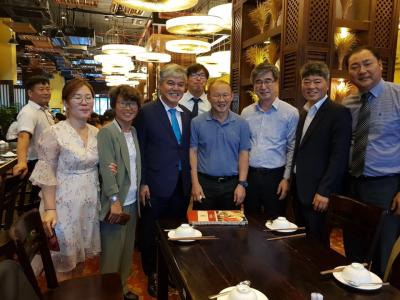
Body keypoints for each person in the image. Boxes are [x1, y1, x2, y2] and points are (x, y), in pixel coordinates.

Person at [29, 78, 100, 278]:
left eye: (88, 97)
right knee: (62, 262)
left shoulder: (96, 132)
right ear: (66, 103)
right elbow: (47, 172)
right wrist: (50, 209)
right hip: (63, 205)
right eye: (78, 97)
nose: (84, 102)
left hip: (88, 205)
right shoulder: (54, 133)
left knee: (80, 260)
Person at [135, 64, 192, 297]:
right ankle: (152, 274)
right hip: (154, 185)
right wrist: (142, 182)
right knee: (150, 233)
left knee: (174, 232)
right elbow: (139, 150)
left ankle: (168, 272)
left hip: (181, 185)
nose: (175, 88)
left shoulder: (187, 114)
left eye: (180, 85)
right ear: (160, 85)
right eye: (171, 83)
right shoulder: (146, 112)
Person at [343, 46, 400, 276]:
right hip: (352, 185)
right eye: (355, 66)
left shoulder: (397, 96)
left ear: (380, 65)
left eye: (367, 63)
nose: (362, 70)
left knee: (381, 249)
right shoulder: (348, 104)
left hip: (385, 187)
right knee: (354, 247)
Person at [291, 61, 352, 241]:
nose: (311, 86)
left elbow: (339, 157)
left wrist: (325, 191)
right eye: (306, 81)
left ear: (327, 83)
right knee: (302, 241)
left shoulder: (338, 112)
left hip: (319, 193)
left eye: (317, 81)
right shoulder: (304, 112)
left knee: (317, 244)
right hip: (300, 190)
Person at [98, 85, 142, 300]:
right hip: (117, 201)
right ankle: (108, 294)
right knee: (112, 253)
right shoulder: (108, 132)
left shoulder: (132, 131)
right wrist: (114, 199)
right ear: (114, 105)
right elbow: (107, 169)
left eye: (132, 103)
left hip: (133, 200)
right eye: (123, 103)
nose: (128, 108)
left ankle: (122, 289)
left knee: (126, 251)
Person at [241, 63, 299, 219]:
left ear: (276, 82)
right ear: (254, 86)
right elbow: (243, 148)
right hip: (251, 176)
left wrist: (286, 178)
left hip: (276, 177)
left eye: (268, 81)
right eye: (258, 82)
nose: (263, 86)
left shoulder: (290, 113)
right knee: (250, 218)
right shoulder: (246, 112)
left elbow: (292, 148)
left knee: (275, 221)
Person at [190, 79, 251, 210]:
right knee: (202, 226)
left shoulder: (242, 123)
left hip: (232, 185)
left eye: (225, 95)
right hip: (204, 184)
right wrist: (195, 183)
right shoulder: (197, 122)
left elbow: (244, 154)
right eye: (216, 95)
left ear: (232, 96)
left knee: (231, 228)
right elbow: (193, 153)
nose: (221, 100)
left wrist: (242, 184)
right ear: (208, 97)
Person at [13, 75, 54, 178]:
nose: (46, 92)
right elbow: (23, 136)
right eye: (41, 89)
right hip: (37, 161)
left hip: (49, 160)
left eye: (48, 89)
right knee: (39, 193)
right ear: (30, 93)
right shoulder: (28, 111)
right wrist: (22, 162)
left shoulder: (44, 110)